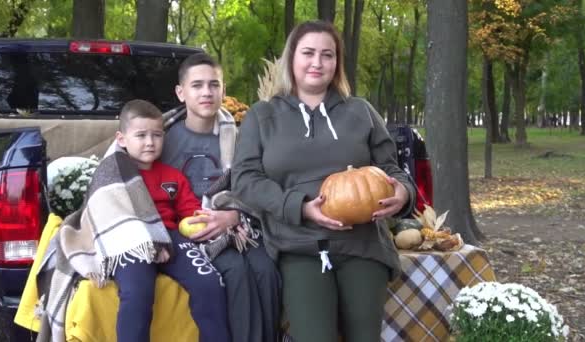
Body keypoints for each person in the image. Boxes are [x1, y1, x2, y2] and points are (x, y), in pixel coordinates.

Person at [231, 20, 417, 342]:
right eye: (308, 53)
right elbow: (245, 180)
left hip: (362, 246)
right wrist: (300, 208)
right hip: (299, 246)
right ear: (291, 59)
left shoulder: (361, 112)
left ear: (337, 63)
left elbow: (392, 169)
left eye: (327, 55)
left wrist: (402, 192)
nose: (317, 62)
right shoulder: (262, 116)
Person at [160, 53, 281, 342]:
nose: (206, 92)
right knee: (235, 271)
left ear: (223, 91)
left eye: (214, 85)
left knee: (265, 269)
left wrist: (235, 215)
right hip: (185, 230)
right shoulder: (161, 138)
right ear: (181, 92)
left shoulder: (240, 137)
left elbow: (256, 185)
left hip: (234, 226)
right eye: (197, 85)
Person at [113, 99, 231, 342]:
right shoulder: (112, 174)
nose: (150, 142)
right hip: (130, 239)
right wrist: (151, 242)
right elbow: (110, 214)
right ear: (122, 139)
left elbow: (189, 210)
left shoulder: (172, 176)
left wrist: (201, 221)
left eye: (157, 135)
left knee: (209, 282)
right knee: (137, 293)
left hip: (173, 236)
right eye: (141, 135)